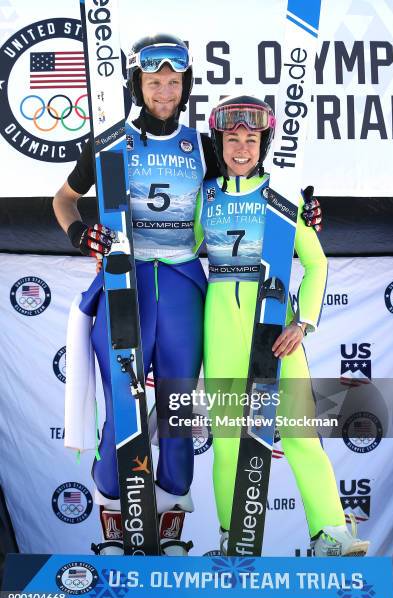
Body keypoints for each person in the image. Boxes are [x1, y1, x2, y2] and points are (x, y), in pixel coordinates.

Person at [56, 34, 321, 556]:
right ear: (138, 83)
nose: (163, 91)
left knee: (177, 406)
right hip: (122, 281)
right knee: (122, 400)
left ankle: (171, 519)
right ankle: (116, 518)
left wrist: (306, 216)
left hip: (181, 282)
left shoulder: (204, 145)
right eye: (154, 82)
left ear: (186, 86)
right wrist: (75, 233)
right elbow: (64, 200)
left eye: (173, 82)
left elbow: (253, 187)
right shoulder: (110, 142)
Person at [200, 95, 369, 557]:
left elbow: (315, 264)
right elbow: (174, 249)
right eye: (232, 138)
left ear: (263, 143)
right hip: (221, 326)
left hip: (275, 325)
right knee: (228, 439)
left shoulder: (284, 196)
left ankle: (331, 534)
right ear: (219, 142)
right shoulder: (206, 195)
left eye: (250, 140)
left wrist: (304, 323)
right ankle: (232, 538)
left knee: (298, 432)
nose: (240, 148)